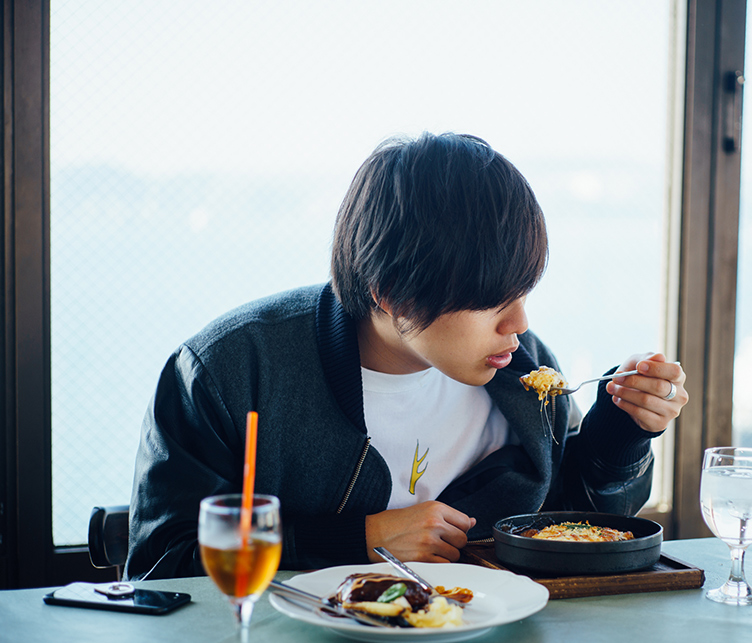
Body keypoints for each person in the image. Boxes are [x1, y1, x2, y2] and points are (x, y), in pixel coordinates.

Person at [125, 132, 688, 580]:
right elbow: (158, 564)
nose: (519, 324)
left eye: (524, 291)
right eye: (492, 299)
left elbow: (563, 526)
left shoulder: (521, 367)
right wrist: (359, 540)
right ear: (392, 294)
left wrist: (621, 432)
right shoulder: (231, 370)